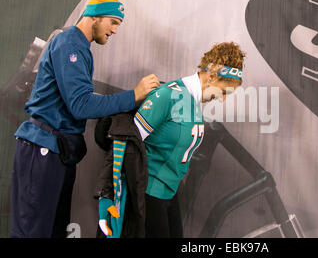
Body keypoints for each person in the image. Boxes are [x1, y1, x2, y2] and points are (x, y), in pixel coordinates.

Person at [10, 0, 160, 238]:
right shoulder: (69, 44)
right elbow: (81, 105)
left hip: (57, 152)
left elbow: (80, 99)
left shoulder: (79, 47)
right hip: (43, 151)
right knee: (33, 232)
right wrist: (132, 95)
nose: (114, 30)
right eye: (112, 22)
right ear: (94, 16)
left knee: (53, 230)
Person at [94, 42, 245, 238]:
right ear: (212, 76)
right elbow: (124, 143)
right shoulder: (168, 96)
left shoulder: (192, 101)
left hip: (169, 193)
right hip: (148, 192)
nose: (223, 99)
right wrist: (107, 195)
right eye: (224, 92)